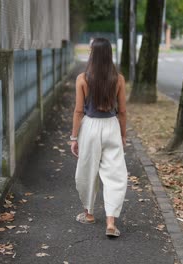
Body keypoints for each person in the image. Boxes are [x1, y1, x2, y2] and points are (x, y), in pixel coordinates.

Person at [70, 38, 127, 238]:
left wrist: (74, 137)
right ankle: (111, 221)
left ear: (93, 54)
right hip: (111, 126)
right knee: (115, 174)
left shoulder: (82, 79)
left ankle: (89, 214)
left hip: (90, 128)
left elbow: (78, 111)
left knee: (88, 170)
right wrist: (122, 134)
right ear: (109, 54)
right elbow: (122, 111)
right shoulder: (118, 79)